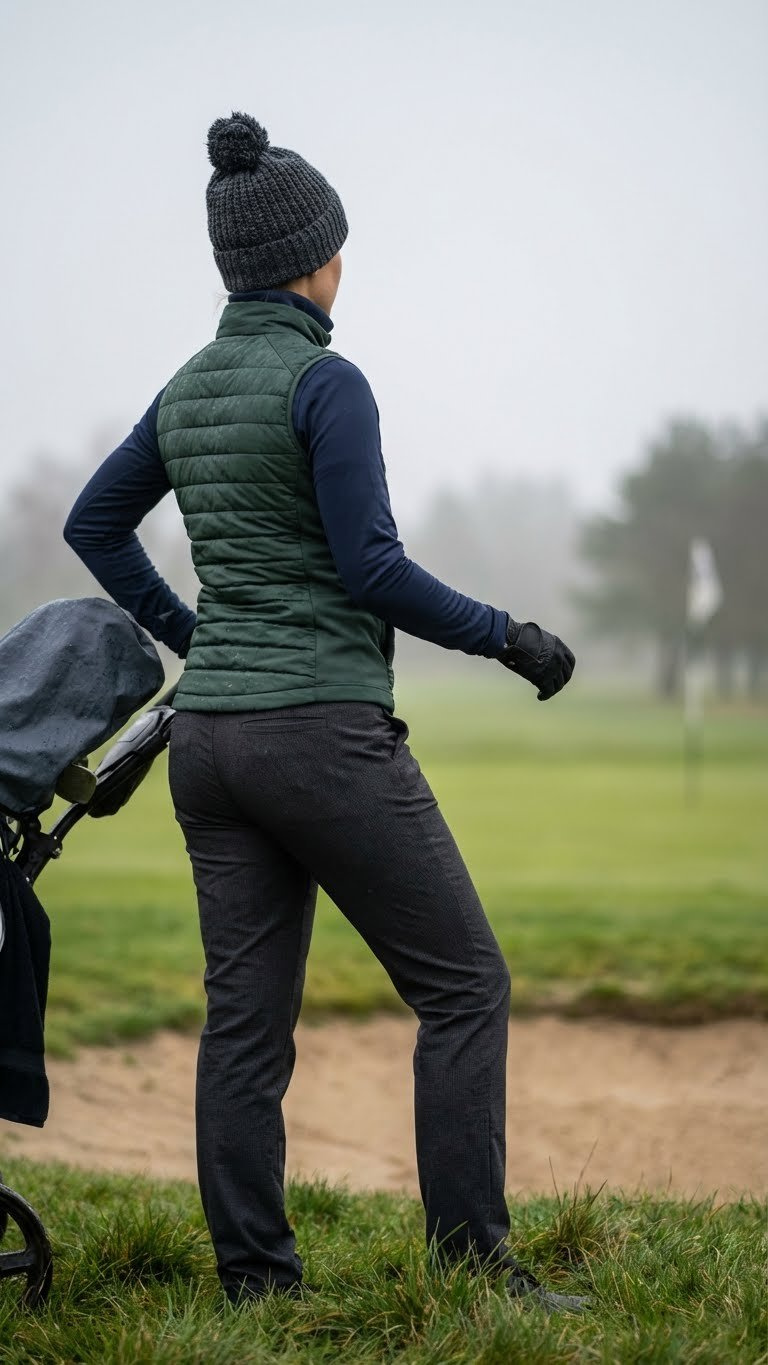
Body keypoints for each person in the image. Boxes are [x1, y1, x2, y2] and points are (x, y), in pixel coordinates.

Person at [64, 111, 585, 1315]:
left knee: (243, 1029)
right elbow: (375, 572)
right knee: (465, 987)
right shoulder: (325, 379)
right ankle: (476, 1274)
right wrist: (511, 636)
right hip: (320, 735)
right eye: (338, 249)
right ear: (315, 258)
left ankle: (255, 1285)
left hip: (213, 744)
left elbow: (95, 524)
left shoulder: (186, 387)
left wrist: (197, 636)